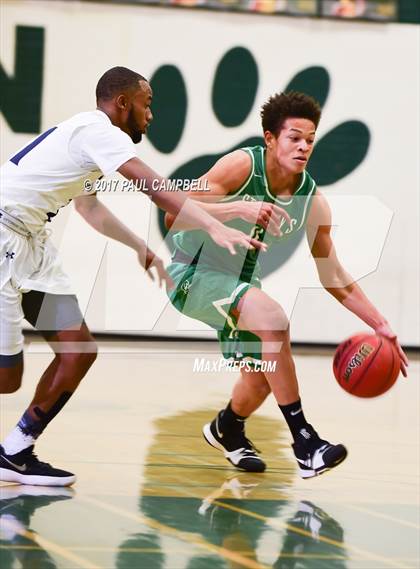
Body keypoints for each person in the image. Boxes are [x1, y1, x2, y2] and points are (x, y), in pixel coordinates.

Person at [0, 66, 265, 487]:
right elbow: (155, 186)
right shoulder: (101, 132)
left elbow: (89, 208)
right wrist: (215, 225)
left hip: (31, 244)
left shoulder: (86, 138)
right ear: (123, 103)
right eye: (148, 102)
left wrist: (139, 247)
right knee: (6, 379)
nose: (151, 114)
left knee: (79, 351)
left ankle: (15, 450)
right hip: (3, 236)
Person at [164, 91, 408, 477]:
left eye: (310, 139)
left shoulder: (311, 199)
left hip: (242, 281)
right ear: (270, 139)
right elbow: (172, 213)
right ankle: (305, 443)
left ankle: (227, 428)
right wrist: (235, 207)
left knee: (260, 383)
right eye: (294, 137)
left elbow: (334, 277)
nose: (304, 146)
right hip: (192, 274)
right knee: (274, 319)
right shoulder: (241, 166)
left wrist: (380, 324)